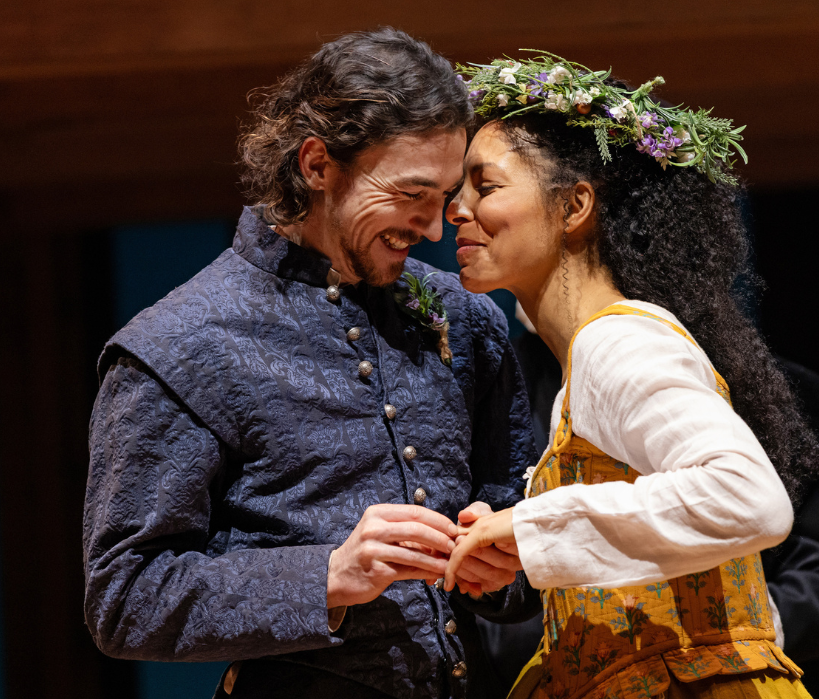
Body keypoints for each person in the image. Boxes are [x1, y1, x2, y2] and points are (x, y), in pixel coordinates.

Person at [82, 29, 539, 699]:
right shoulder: (181, 343)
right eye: (412, 193)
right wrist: (327, 575)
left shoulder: (466, 320)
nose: (435, 229)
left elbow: (515, 527)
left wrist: (505, 569)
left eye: (443, 198)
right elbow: (125, 599)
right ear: (318, 164)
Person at [444, 54, 819, 698]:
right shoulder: (592, 356)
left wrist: (530, 528)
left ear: (574, 206)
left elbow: (748, 498)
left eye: (484, 187)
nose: (454, 210)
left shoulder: (618, 340)